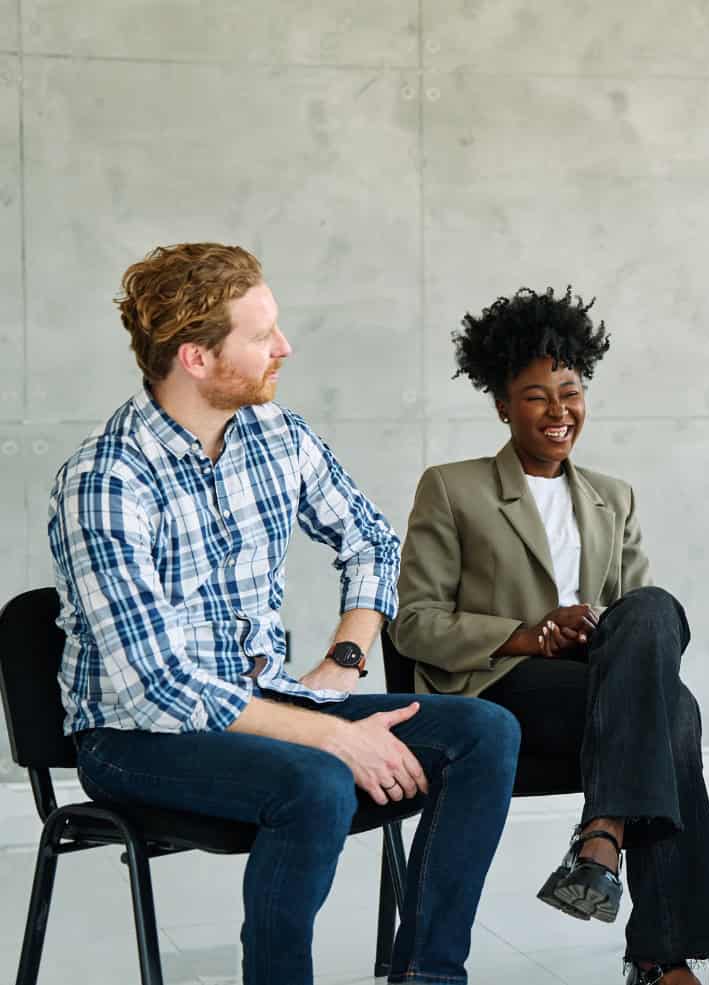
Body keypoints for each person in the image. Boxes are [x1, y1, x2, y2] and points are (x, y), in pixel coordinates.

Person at [48, 243, 520, 985]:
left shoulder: (278, 437)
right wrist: (336, 738)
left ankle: (430, 976)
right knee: (317, 780)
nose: (285, 346)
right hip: (133, 736)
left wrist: (344, 663)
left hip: (268, 704)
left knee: (484, 731)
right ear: (196, 358)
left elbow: (370, 539)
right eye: (262, 334)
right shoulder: (105, 481)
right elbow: (162, 686)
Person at [393, 287, 709, 985]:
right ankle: (659, 954)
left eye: (571, 392)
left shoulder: (616, 496)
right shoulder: (452, 488)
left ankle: (604, 837)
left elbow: (640, 627)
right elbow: (414, 623)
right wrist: (531, 635)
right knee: (674, 714)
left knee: (653, 609)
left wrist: (592, 634)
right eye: (535, 397)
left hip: (596, 689)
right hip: (499, 688)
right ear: (501, 404)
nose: (559, 413)